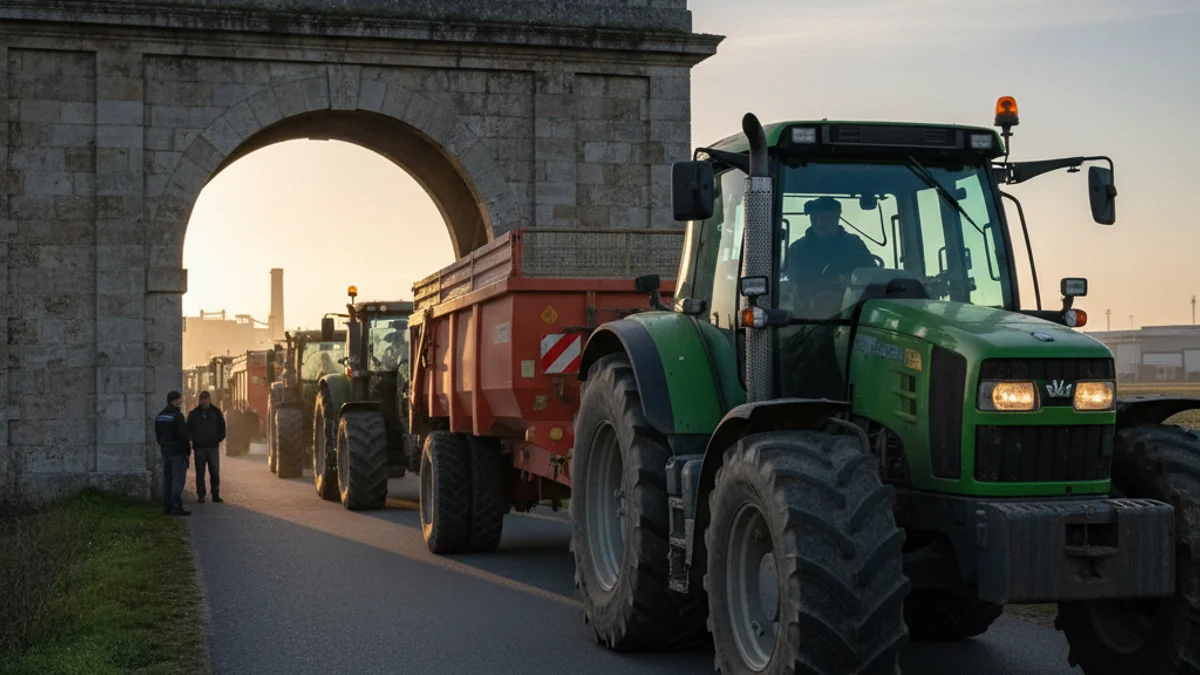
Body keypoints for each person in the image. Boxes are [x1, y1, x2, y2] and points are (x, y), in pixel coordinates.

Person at [155, 391, 191, 516]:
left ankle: (166, 506)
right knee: (177, 480)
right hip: (178, 452)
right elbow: (183, 436)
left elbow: (158, 436)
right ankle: (176, 506)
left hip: (166, 452)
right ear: (173, 401)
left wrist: (164, 446)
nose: (180, 401)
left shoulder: (160, 416)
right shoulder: (177, 416)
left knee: (167, 479)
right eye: (178, 400)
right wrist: (187, 452)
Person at [187, 390, 226, 504]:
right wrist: (193, 440)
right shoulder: (194, 414)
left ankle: (215, 494)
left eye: (206, 399)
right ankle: (201, 495)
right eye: (202, 399)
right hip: (199, 448)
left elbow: (222, 427)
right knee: (200, 472)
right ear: (199, 400)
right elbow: (188, 429)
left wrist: (218, 439)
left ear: (209, 400)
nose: (204, 402)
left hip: (213, 447)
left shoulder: (216, 412)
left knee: (214, 472)